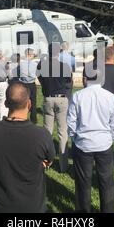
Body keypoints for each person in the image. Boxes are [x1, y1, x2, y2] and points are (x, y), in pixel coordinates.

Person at [0, 82, 55, 213]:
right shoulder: (41, 135)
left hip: (1, 205)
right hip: (33, 206)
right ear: (29, 104)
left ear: (5, 103)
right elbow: (49, 159)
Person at [67, 69, 114, 213]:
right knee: (107, 183)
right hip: (104, 143)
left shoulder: (77, 96)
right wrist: (111, 138)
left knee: (82, 183)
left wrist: (75, 138)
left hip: (83, 143)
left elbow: (71, 122)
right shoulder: (110, 97)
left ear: (85, 78)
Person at [38, 43, 72, 173]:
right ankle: (64, 165)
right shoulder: (65, 66)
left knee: (47, 131)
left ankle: (46, 160)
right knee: (62, 132)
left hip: (48, 97)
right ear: (59, 52)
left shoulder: (42, 65)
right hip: (62, 98)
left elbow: (39, 78)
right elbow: (69, 82)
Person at [19, 48, 38, 123]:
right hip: (32, 84)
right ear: (29, 55)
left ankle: (22, 117)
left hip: (23, 84)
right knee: (33, 102)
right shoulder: (35, 64)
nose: (33, 56)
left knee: (23, 102)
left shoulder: (21, 64)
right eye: (33, 54)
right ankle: (33, 119)